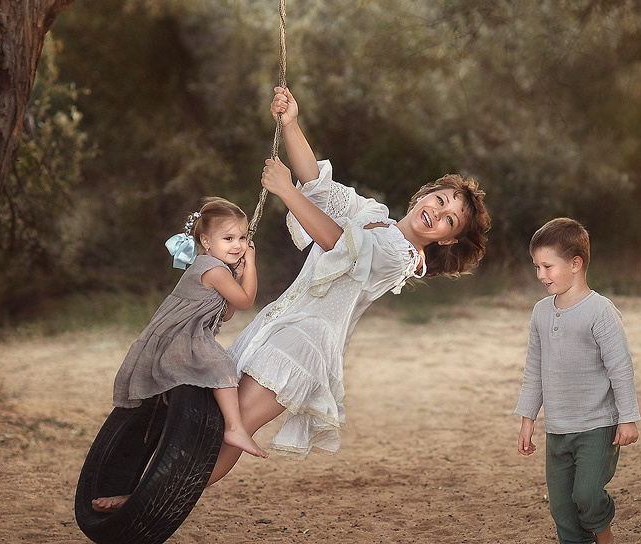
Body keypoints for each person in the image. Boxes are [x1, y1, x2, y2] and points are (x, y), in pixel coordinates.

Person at [206, 85, 491, 485]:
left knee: (233, 429)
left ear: (447, 240)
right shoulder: (372, 213)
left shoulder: (402, 258)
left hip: (303, 346)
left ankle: (158, 501)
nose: (438, 213)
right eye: (440, 200)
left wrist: (285, 190)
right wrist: (291, 124)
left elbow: (339, 243)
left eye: (450, 221)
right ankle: (147, 492)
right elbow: (318, 186)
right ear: (423, 195)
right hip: (277, 323)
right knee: (213, 418)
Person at [91, 197, 264, 513]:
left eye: (242, 238)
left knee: (218, 366)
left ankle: (227, 426)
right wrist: (251, 264)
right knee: (222, 366)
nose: (238, 245)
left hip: (181, 337)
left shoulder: (214, 267)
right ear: (206, 242)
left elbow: (225, 314)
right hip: (180, 340)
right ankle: (234, 427)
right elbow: (245, 301)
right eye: (228, 238)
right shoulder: (213, 269)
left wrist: (238, 275)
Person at [515, 217, 641, 544]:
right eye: (536, 266)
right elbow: (534, 368)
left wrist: (628, 417)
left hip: (598, 425)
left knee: (586, 494)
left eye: (547, 266)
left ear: (575, 263)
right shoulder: (541, 312)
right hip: (558, 428)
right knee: (562, 506)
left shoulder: (600, 311)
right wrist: (528, 419)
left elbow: (620, 367)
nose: (540, 274)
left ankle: (605, 538)